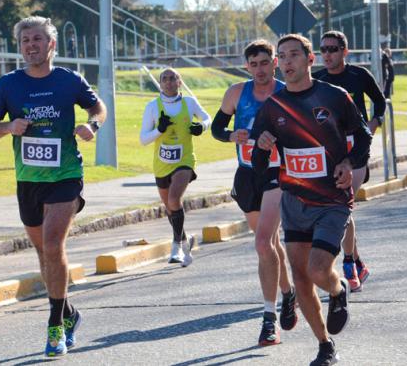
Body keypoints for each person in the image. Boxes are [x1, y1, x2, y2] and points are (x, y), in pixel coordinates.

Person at [0, 16, 107, 358]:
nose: (31, 45)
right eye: (25, 41)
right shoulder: (8, 84)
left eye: (37, 39)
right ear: (20, 47)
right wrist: (9, 127)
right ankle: (70, 314)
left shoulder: (69, 80)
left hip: (65, 175)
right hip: (28, 180)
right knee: (43, 253)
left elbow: (98, 107)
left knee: (53, 244)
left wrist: (92, 125)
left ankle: (55, 328)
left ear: (51, 44)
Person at [251, 34, 372, 366]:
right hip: (295, 201)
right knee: (301, 277)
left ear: (309, 60)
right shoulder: (272, 107)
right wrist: (261, 148)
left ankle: (337, 289)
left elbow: (363, 135)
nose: (287, 62)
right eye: (282, 57)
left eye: (294, 55)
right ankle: (324, 344)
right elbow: (259, 164)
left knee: (319, 269)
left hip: (332, 198)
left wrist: (350, 163)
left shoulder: (334, 97)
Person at [211, 39, 297, 346]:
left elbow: (301, 134)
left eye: (265, 63)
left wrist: (276, 139)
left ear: (275, 63)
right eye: (254, 64)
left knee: (262, 243)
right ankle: (288, 293)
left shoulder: (286, 93)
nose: (260, 69)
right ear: (247, 66)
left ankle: (268, 318)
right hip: (247, 175)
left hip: (277, 173)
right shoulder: (237, 92)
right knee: (269, 243)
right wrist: (231, 135)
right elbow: (217, 128)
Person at [313, 30, 384, 293]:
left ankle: (349, 264)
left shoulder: (359, 75)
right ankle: (357, 261)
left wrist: (374, 123)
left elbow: (379, 101)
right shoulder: (317, 80)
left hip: (356, 149)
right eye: (323, 50)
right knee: (342, 206)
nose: (327, 54)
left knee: (344, 201)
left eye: (333, 49)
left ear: (345, 51)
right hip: (330, 151)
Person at [140, 68, 211, 265]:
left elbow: (207, 118)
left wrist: (201, 127)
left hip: (184, 160)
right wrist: (159, 129)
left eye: (173, 78)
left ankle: (176, 246)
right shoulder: (153, 107)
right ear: (160, 83)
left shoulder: (189, 102)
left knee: (174, 199)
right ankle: (186, 244)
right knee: (171, 208)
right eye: (165, 79)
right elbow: (143, 139)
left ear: (179, 82)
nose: (169, 82)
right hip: (162, 163)